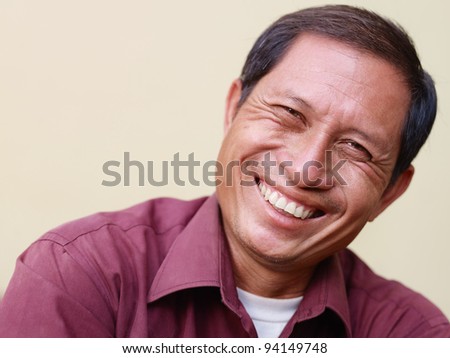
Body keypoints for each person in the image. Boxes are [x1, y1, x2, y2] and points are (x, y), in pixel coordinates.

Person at [0, 4, 449, 338]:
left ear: (390, 193)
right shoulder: (82, 274)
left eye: (354, 147)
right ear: (234, 108)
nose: (306, 167)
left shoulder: (413, 335)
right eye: (291, 113)